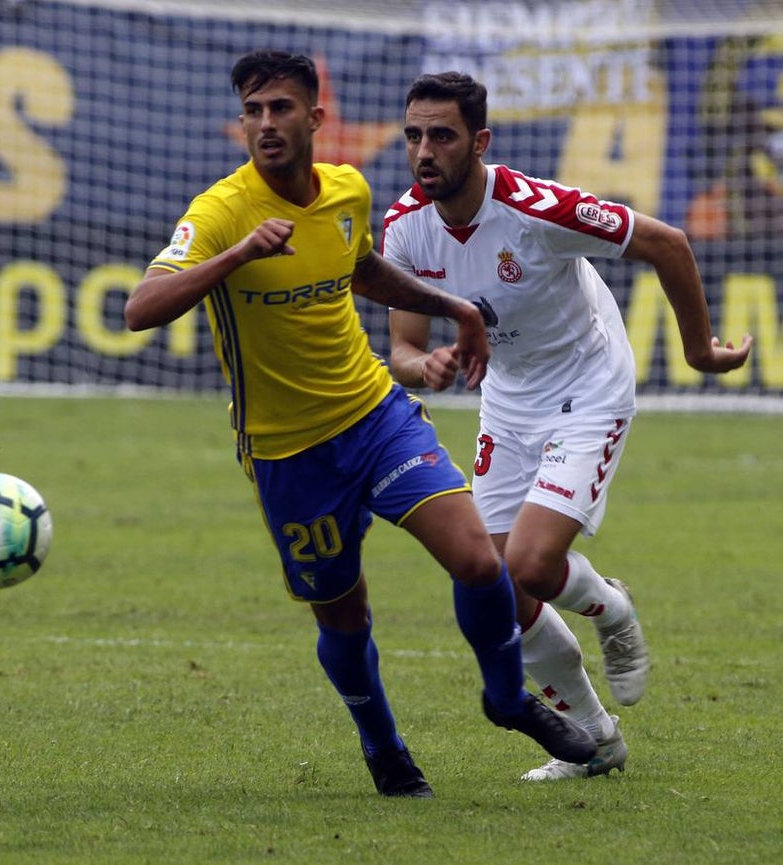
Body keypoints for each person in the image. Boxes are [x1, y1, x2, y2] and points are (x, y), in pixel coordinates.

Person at [124, 52, 597, 798]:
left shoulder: (346, 188)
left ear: (316, 119)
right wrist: (238, 255)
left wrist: (456, 308)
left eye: (281, 108)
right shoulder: (220, 213)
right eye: (253, 111)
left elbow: (362, 267)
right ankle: (385, 751)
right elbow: (139, 309)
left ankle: (508, 698)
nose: (266, 124)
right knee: (345, 613)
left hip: (376, 416)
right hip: (289, 454)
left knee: (479, 561)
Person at [384, 72, 753, 781]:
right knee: (499, 586)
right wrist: (420, 364)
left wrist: (700, 350)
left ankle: (611, 607)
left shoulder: (537, 209)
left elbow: (668, 242)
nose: (424, 151)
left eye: (442, 135)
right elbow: (401, 346)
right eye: (413, 135)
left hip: (588, 385)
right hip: (509, 397)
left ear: (480, 142)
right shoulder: (404, 228)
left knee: (528, 563)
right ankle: (593, 739)